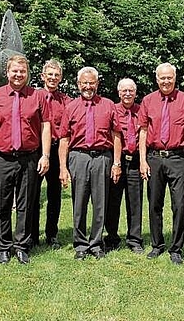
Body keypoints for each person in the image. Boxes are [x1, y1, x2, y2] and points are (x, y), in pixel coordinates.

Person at [0, 55, 51, 265]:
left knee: (26, 204)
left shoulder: (37, 96)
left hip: (29, 157)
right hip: (2, 157)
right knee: (1, 203)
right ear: (7, 73)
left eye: (22, 71)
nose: (18, 74)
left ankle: (21, 246)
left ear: (27, 73)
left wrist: (45, 155)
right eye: (15, 71)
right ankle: (3, 246)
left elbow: (46, 125)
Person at [138, 62, 184, 265]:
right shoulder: (148, 101)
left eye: (169, 77)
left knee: (180, 205)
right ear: (157, 79)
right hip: (155, 157)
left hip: (178, 158)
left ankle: (176, 248)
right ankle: (157, 244)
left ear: (175, 78)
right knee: (154, 203)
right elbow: (143, 131)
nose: (166, 81)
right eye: (162, 78)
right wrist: (142, 160)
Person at [59, 67, 122, 260]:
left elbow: (116, 135)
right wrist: (63, 167)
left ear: (97, 84)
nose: (88, 86)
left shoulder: (108, 105)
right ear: (78, 85)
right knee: (79, 203)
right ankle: (80, 244)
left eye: (91, 83)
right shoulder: (70, 107)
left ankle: (96, 243)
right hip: (78, 157)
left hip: (102, 157)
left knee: (100, 203)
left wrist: (117, 162)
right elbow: (64, 138)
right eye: (84, 83)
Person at [33, 59, 71, 249]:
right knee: (32, 194)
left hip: (57, 151)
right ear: (43, 76)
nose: (53, 78)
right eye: (50, 75)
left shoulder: (66, 101)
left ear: (61, 78)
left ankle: (51, 234)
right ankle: (32, 235)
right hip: (37, 151)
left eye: (57, 75)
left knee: (54, 195)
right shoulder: (34, 96)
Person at [104, 78, 144, 254]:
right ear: (119, 93)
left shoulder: (141, 110)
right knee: (113, 201)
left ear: (135, 93)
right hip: (117, 160)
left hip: (135, 161)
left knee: (135, 202)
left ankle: (134, 239)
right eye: (124, 91)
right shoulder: (112, 110)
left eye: (131, 91)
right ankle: (111, 237)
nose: (128, 94)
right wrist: (116, 162)